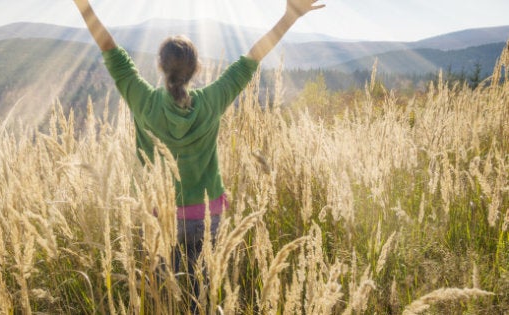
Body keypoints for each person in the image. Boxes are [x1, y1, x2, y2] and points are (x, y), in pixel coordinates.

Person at [72, 0, 325, 310]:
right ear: (196, 69)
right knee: (201, 298)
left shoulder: (144, 101)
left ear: (160, 66)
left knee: (165, 299)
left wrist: (83, 5)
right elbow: (252, 59)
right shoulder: (211, 100)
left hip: (159, 218)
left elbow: (111, 52)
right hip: (207, 216)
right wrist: (289, 17)